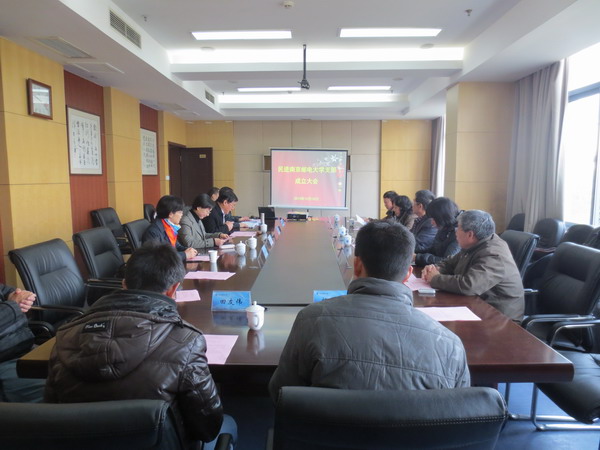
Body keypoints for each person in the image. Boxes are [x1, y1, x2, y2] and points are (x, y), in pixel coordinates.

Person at [45, 243, 236, 448]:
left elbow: (52, 413)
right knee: (228, 425)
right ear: (173, 289)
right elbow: (208, 427)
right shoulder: (187, 341)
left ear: (124, 284)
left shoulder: (66, 336)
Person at [268, 220, 470, 400]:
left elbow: (281, 392)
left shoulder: (311, 320)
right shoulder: (450, 344)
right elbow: (458, 409)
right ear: (408, 274)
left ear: (357, 266)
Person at [422, 210, 525, 322]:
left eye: (458, 228)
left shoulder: (493, 254)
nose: (455, 232)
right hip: (478, 305)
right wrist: (435, 268)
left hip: (501, 318)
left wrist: (435, 278)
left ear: (470, 234)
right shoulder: (476, 244)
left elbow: (469, 285)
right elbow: (450, 263)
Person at [0, 284, 45, 402]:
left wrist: (15, 294)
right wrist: (12, 305)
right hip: (5, 362)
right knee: (67, 390)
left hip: (24, 348)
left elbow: (3, 290)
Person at [142, 195, 197, 261]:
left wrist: (187, 250)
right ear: (170, 214)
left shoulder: (169, 227)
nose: (181, 215)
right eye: (180, 212)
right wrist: (184, 255)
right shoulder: (153, 232)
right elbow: (158, 259)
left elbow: (176, 246)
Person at [414, 197, 461, 266]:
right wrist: (413, 253)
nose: (432, 222)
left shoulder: (460, 232)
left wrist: (417, 257)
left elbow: (447, 261)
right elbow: (433, 250)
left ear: (442, 217)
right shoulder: (444, 226)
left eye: (434, 219)